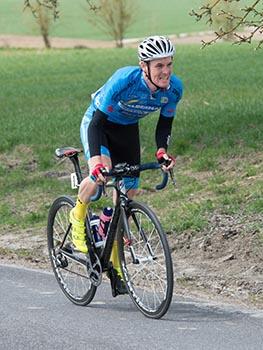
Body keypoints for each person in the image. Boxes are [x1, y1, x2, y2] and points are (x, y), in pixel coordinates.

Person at [69, 35, 183, 296]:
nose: (165, 71)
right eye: (159, 66)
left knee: (128, 191)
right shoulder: (124, 81)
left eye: (169, 64)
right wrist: (96, 162)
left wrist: (162, 151)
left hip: (127, 130)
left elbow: (165, 125)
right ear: (144, 66)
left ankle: (112, 248)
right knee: (100, 177)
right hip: (99, 125)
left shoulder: (174, 89)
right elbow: (97, 123)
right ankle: (77, 216)